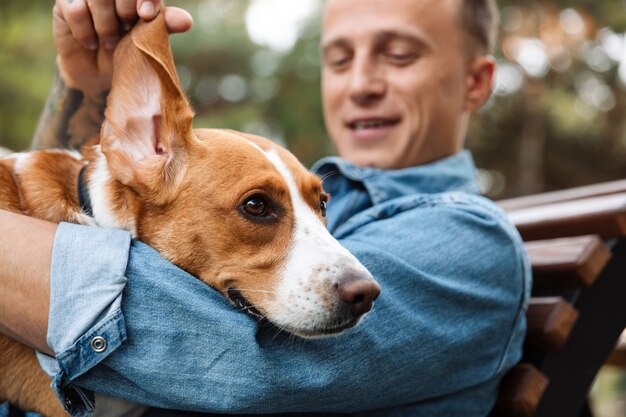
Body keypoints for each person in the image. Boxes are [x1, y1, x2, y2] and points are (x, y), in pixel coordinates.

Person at [0, 0, 531, 416]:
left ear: (476, 81)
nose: (362, 83)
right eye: (339, 58)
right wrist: (87, 86)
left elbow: (237, 360)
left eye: (399, 55)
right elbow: (72, 206)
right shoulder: (288, 181)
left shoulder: (471, 240)